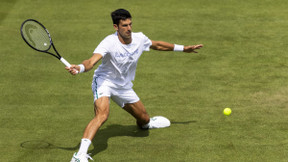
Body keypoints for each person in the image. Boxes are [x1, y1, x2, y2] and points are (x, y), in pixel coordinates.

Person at [68, 8, 203, 162]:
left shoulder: (139, 39)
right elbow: (91, 61)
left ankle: (148, 123)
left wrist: (183, 48)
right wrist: (80, 67)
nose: (129, 28)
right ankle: (79, 156)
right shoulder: (108, 42)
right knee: (102, 115)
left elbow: (157, 45)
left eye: (130, 24)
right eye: (124, 25)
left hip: (124, 86)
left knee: (144, 119)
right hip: (105, 82)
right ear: (116, 27)